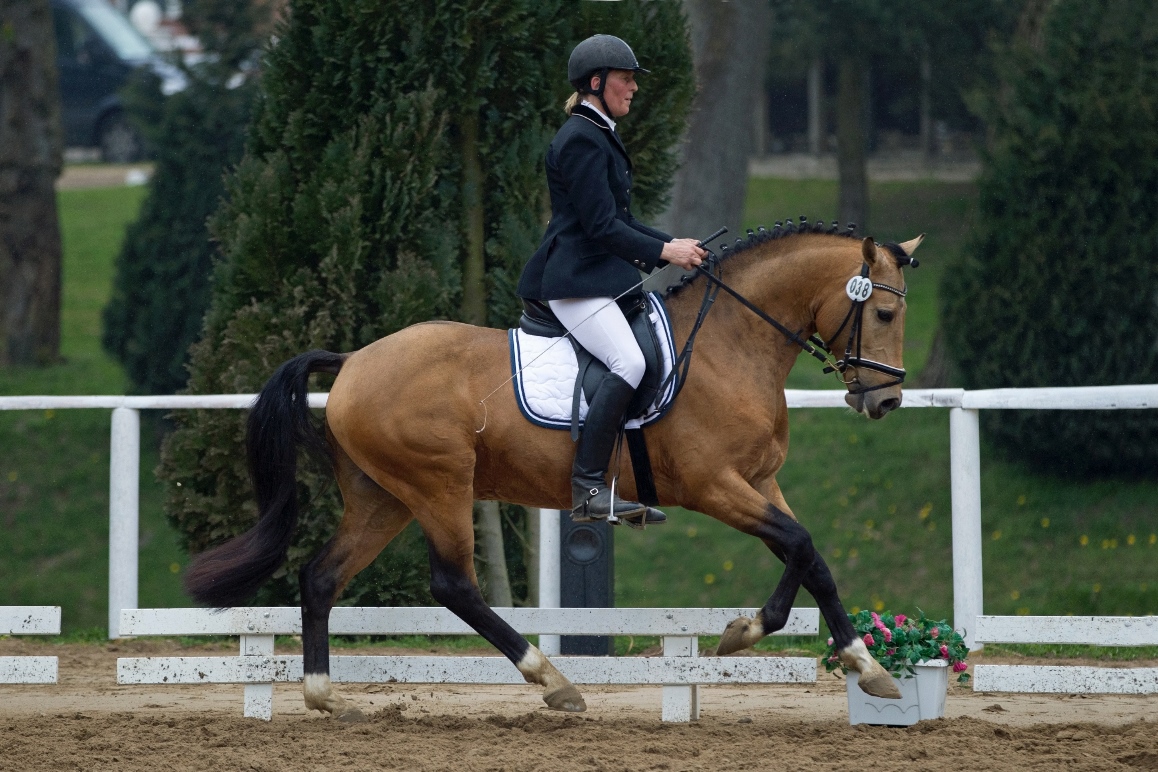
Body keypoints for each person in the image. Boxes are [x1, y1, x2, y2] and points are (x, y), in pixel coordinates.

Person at [517, 34, 705, 526]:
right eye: (626, 79)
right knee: (630, 361)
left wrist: (676, 246)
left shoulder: (596, 132)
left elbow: (620, 218)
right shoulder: (580, 137)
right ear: (597, 82)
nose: (634, 89)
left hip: (593, 277)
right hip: (573, 282)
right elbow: (601, 227)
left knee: (633, 357)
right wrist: (665, 251)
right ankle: (588, 489)